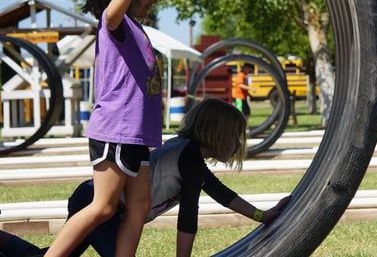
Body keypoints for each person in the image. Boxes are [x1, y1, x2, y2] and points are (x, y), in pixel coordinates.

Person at [0, 98, 290, 257]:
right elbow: (189, 213)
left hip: (95, 200)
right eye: (234, 137)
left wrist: (262, 215)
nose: (238, 145)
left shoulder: (190, 155)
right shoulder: (188, 155)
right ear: (215, 133)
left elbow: (222, 194)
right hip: (103, 206)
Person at [45, 0, 163, 257]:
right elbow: (112, 14)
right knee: (103, 207)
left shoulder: (137, 30)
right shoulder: (116, 24)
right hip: (117, 130)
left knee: (140, 205)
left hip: (136, 135)